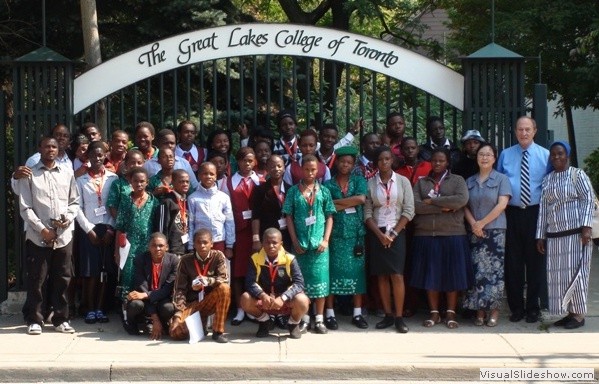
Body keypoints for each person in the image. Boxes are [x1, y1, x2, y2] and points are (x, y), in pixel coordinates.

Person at [18, 137, 80, 335]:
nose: (51, 150)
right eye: (47, 146)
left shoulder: (67, 173)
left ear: (58, 149)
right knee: (37, 279)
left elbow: (74, 202)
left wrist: (67, 220)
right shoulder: (30, 174)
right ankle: (35, 319)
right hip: (38, 236)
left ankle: (61, 318)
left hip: (63, 235)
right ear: (40, 149)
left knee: (62, 278)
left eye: (54, 146)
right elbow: (25, 206)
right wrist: (42, 229)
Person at [411, 148, 472, 329]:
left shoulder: (458, 180)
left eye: (441, 161)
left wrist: (432, 201)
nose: (437, 164)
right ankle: (434, 313)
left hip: (453, 234)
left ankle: (451, 313)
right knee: (431, 276)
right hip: (426, 235)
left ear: (447, 163)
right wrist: (443, 207)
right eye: (434, 161)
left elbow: (461, 200)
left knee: (452, 276)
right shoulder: (422, 183)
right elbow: (415, 206)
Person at [536, 141, 594, 330]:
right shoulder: (548, 179)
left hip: (577, 235)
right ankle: (567, 313)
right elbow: (543, 209)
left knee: (578, 274)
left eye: (560, 153)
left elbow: (588, 200)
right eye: (553, 154)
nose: (556, 157)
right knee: (558, 278)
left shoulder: (578, 175)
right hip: (554, 237)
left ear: (567, 155)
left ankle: (578, 315)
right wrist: (540, 235)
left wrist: (586, 227)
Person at [497, 116, 549, 323]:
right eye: (520, 129)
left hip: (536, 212)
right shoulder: (505, 155)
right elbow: (500, 183)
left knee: (535, 262)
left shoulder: (545, 156)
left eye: (528, 129)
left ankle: (533, 307)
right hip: (512, 213)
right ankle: (516, 307)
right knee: (513, 262)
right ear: (515, 131)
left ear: (535, 131)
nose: (524, 133)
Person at [283, 154, 335, 334]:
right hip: (300, 246)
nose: (310, 173)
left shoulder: (324, 191)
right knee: (301, 283)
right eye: (307, 169)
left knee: (320, 282)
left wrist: (326, 239)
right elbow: (288, 216)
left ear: (319, 170)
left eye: (314, 169)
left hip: (320, 246)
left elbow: (329, 216)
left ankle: (319, 319)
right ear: (301, 170)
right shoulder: (293, 192)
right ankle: (304, 318)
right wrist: (294, 240)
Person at [364, 146, 415, 333]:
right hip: (377, 232)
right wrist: (380, 235)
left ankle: (399, 317)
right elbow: (367, 212)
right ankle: (387, 315)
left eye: (387, 159)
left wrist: (393, 234)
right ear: (376, 163)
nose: (384, 162)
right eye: (380, 160)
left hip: (397, 231)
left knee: (397, 274)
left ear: (392, 160)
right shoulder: (369, 184)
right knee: (382, 275)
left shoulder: (402, 182)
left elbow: (409, 210)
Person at [462, 143, 511, 327]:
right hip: (474, 231)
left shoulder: (501, 179)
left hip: (495, 231)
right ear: (476, 158)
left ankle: (494, 311)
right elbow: (464, 206)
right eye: (481, 154)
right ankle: (479, 311)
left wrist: (482, 223)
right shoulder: (469, 181)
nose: (484, 157)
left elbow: (502, 205)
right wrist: (474, 223)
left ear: (494, 158)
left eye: (488, 154)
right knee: (477, 272)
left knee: (494, 272)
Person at [323, 147, 369, 330]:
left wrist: (336, 204)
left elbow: (361, 199)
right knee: (331, 273)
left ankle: (357, 314)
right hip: (334, 236)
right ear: (337, 162)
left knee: (357, 274)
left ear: (353, 164)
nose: (345, 165)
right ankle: (329, 313)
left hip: (355, 235)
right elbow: (326, 207)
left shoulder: (359, 180)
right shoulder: (327, 184)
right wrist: (347, 201)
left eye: (349, 162)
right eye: (342, 161)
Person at [75, 141, 118, 324]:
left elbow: (115, 206)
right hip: (89, 229)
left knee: (104, 271)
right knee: (90, 272)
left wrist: (110, 228)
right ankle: (89, 308)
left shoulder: (113, 178)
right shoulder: (80, 180)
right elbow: (77, 207)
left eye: (101, 155)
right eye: (93, 155)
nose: (98, 158)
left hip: (107, 228)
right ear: (88, 157)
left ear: (105, 156)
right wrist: (88, 230)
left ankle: (100, 308)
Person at [241, 228, 309, 339]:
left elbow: (299, 283)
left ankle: (293, 323)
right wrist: (262, 295)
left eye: (274, 243)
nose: (271, 246)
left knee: (303, 300)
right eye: (267, 242)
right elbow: (249, 282)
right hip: (265, 299)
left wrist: (283, 298)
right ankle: (264, 321)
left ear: (281, 243)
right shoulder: (255, 258)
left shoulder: (289, 259)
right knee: (245, 298)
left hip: (285, 299)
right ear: (262, 243)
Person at [170, 229, 231, 343]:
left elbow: (224, 278)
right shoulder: (185, 260)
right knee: (176, 333)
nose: (202, 245)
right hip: (192, 303)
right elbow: (179, 289)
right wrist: (178, 313)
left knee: (224, 288)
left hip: (210, 301)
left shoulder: (218, 256)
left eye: (205, 242)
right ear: (193, 244)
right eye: (199, 242)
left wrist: (208, 281)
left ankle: (218, 331)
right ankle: (200, 325)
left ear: (211, 244)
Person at [222, 147, 261, 326]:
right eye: (244, 160)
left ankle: (254, 307)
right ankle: (239, 308)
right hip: (238, 232)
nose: (247, 164)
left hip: (256, 232)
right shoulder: (228, 182)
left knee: (256, 271)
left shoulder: (260, 180)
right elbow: (226, 210)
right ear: (238, 161)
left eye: (251, 161)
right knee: (238, 272)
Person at [114, 167, 159, 300]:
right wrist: (117, 251)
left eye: (142, 181)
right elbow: (120, 227)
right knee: (128, 276)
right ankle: (126, 309)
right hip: (129, 246)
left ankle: (144, 309)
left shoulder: (154, 202)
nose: (139, 184)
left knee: (146, 277)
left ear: (147, 182)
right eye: (135, 181)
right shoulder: (126, 201)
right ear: (131, 182)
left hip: (147, 246)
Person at [125, 233, 178, 339]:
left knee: (168, 308)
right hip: (143, 300)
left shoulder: (173, 261)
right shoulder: (140, 260)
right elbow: (142, 287)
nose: (157, 248)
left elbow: (167, 289)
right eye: (154, 245)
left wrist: (145, 295)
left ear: (166, 247)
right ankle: (132, 324)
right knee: (135, 304)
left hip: (162, 297)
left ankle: (163, 324)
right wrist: (155, 318)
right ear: (149, 247)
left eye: (161, 246)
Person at [187, 162, 235, 257]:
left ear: (216, 176)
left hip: (219, 241)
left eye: (212, 174)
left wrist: (229, 246)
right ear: (199, 176)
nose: (208, 176)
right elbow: (190, 223)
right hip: (200, 243)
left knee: (219, 269)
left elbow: (229, 222)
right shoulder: (193, 198)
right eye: (205, 174)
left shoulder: (223, 197)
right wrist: (190, 245)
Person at [154, 169, 191, 256]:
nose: (185, 184)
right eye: (181, 181)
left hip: (184, 249)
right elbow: (161, 228)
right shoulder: (167, 202)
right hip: (171, 251)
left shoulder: (186, 201)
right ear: (173, 182)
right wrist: (163, 249)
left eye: (187, 182)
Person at [106, 149, 145, 219]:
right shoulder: (118, 184)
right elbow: (112, 206)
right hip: (123, 227)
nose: (136, 165)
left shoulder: (146, 183)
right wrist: (121, 225)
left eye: (139, 163)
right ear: (126, 163)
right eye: (132, 162)